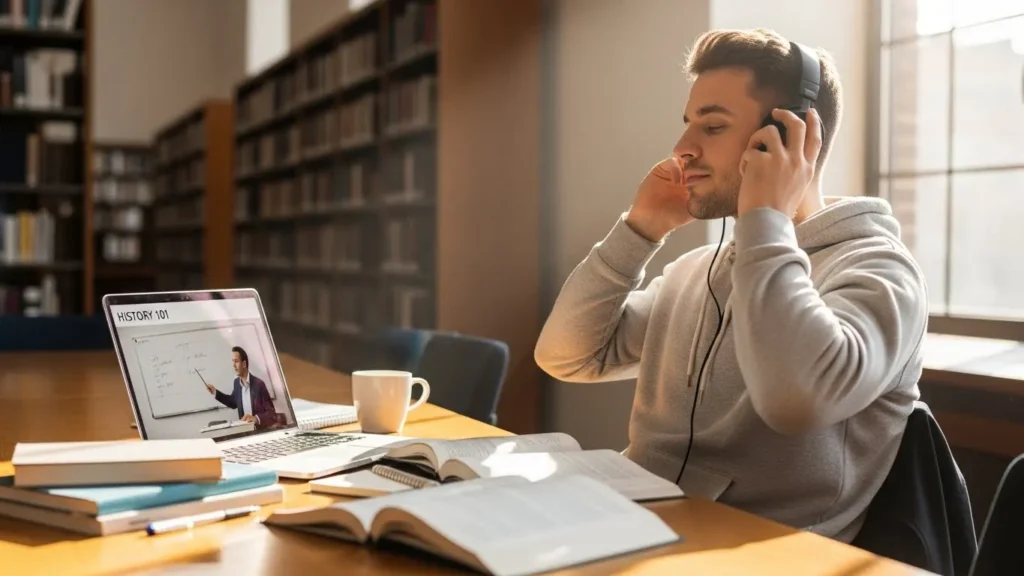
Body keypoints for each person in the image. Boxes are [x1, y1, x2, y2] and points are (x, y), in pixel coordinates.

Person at [533, 28, 927, 544]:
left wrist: (766, 215)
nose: (680, 149)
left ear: (789, 138)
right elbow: (566, 356)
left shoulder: (880, 271)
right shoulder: (700, 271)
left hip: (761, 554)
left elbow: (794, 401)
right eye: (688, 125)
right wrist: (639, 230)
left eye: (712, 126)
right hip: (636, 527)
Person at [205, 346, 278, 430]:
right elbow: (233, 403)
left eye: (236, 361)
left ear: (244, 364)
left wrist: (255, 418)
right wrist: (215, 392)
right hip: (245, 431)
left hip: (259, 431)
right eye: (233, 362)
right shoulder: (236, 383)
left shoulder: (259, 384)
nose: (233, 365)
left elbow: (272, 414)